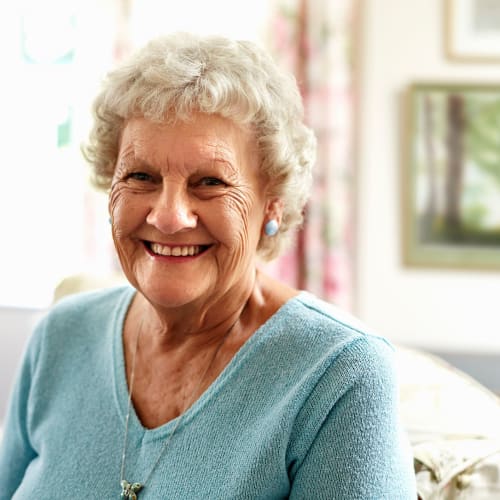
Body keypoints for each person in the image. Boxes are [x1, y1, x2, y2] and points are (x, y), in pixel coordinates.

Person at [0, 33, 416, 499]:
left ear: (272, 206)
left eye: (209, 182)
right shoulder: (61, 336)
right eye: (141, 176)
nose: (168, 215)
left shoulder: (339, 375)